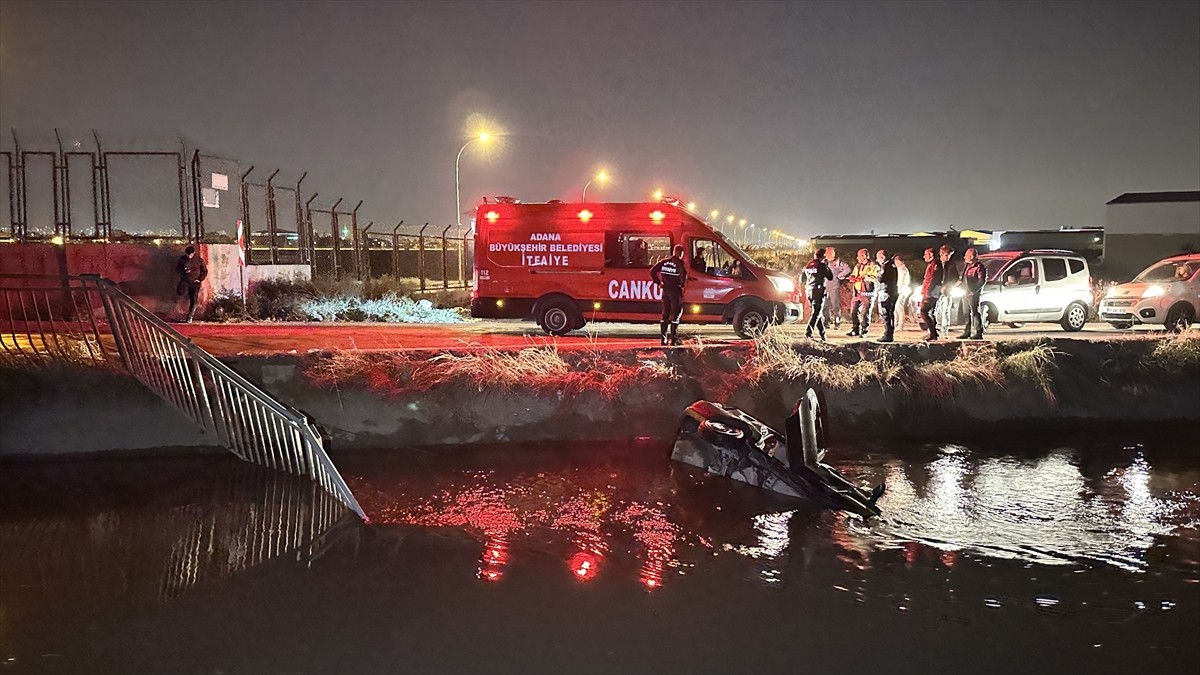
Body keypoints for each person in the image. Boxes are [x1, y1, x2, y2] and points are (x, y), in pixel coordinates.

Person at [650, 244, 687, 346]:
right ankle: (674, 339)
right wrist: (682, 285)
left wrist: (658, 282)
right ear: (681, 254)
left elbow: (652, 271)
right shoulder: (680, 264)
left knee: (665, 314)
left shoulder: (664, 262)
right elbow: (683, 278)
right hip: (675, 291)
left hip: (665, 291)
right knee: (676, 314)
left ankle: (663, 339)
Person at [846, 248, 879, 337]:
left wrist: (864, 277)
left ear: (864, 256)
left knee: (865, 313)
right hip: (857, 292)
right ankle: (855, 329)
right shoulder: (858, 266)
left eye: (859, 256)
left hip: (867, 293)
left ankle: (864, 331)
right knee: (853, 312)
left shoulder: (873, 266)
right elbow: (854, 275)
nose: (857, 258)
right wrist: (852, 278)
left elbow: (875, 278)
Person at [803, 248, 834, 340]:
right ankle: (809, 332)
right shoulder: (822, 265)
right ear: (823, 256)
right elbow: (830, 277)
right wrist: (826, 266)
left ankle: (822, 334)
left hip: (808, 290)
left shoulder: (808, 265)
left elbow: (802, 279)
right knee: (816, 313)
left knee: (817, 312)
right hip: (818, 291)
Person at [958, 247, 987, 340]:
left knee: (974, 312)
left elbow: (981, 280)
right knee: (966, 313)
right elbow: (962, 278)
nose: (964, 257)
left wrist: (973, 291)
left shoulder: (979, 266)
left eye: (966, 255)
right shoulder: (966, 266)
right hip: (964, 292)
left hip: (972, 293)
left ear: (971, 256)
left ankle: (978, 332)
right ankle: (967, 332)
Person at [176, 245, 208, 323]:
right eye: (187, 255)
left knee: (194, 299)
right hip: (185, 280)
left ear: (193, 253)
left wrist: (200, 279)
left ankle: (190, 316)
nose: (189, 256)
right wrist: (184, 271)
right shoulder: (182, 259)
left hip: (195, 282)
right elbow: (177, 268)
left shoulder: (199, 260)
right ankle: (184, 296)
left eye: (190, 255)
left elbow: (205, 271)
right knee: (180, 292)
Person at [823, 247, 851, 330]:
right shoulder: (823, 262)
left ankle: (837, 322)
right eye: (827, 252)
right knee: (825, 305)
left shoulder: (838, 262)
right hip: (824, 287)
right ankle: (826, 322)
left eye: (830, 252)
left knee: (835, 306)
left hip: (834, 287)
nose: (828, 254)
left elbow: (847, 269)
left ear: (834, 254)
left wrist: (840, 275)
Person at [919, 247, 943, 341]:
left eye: (926, 254)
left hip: (931, 291)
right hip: (931, 290)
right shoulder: (933, 264)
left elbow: (933, 279)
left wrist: (928, 291)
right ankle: (933, 333)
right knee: (929, 312)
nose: (924, 256)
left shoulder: (935, 264)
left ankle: (933, 333)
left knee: (923, 311)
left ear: (931, 255)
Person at [875, 249, 898, 342]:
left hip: (885, 292)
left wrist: (876, 275)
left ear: (882, 257)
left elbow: (881, 279)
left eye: (878, 258)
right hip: (891, 292)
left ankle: (887, 335)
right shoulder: (892, 266)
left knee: (885, 314)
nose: (877, 260)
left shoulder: (885, 266)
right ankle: (889, 334)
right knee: (889, 314)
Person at [937, 245, 960, 337]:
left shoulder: (951, 265)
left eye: (949, 255)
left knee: (946, 311)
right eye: (946, 255)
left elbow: (957, 279)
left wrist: (949, 286)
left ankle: (944, 331)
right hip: (936, 290)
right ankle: (934, 329)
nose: (948, 257)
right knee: (934, 311)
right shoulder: (937, 264)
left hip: (947, 291)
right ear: (941, 254)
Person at [893, 254, 912, 330]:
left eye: (896, 262)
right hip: (903, 290)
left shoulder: (901, 269)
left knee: (898, 308)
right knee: (897, 308)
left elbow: (900, 281)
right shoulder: (904, 269)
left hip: (901, 290)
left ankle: (900, 325)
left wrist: (898, 290)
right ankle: (896, 324)